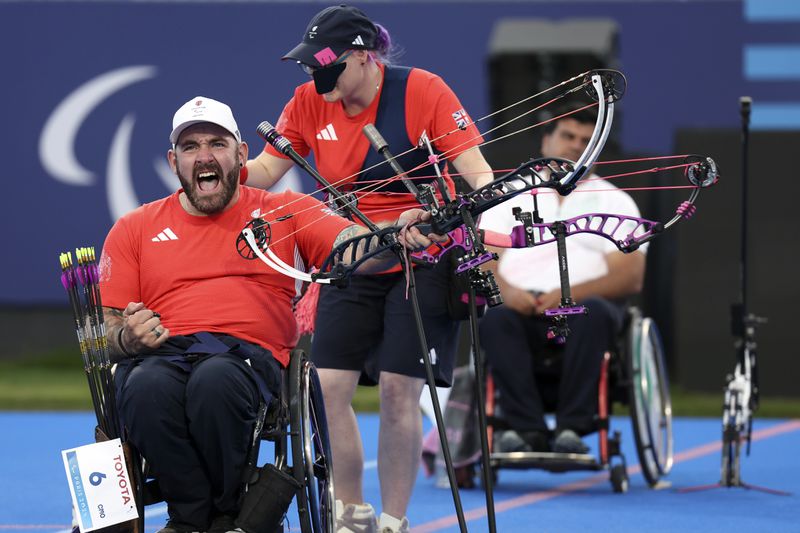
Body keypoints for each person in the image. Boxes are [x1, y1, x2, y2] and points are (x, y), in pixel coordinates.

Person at [98, 96, 437, 533]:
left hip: (246, 359)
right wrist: (127, 338)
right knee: (144, 387)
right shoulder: (134, 227)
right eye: (191, 146)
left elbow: (351, 243)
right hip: (163, 354)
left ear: (241, 155)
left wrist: (395, 233)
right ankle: (213, 518)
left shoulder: (284, 210)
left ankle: (196, 519)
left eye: (217, 144)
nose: (204, 156)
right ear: (173, 161)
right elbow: (105, 330)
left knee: (214, 382)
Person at [244, 5, 494, 532]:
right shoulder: (311, 99)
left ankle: (393, 520)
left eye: (326, 65)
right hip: (351, 255)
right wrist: (218, 170)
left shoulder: (422, 90)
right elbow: (265, 170)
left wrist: (439, 216)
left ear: (362, 56)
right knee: (328, 386)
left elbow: (478, 174)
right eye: (310, 66)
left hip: (422, 260)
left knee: (398, 390)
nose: (316, 76)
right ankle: (350, 512)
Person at [478, 106, 647, 455]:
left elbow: (630, 276)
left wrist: (567, 295)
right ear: (546, 140)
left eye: (586, 141)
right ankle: (526, 431)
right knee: (494, 317)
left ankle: (572, 428)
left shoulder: (616, 201)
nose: (575, 146)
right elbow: (484, 261)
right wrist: (508, 293)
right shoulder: (507, 196)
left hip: (584, 314)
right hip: (519, 308)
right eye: (568, 136)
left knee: (596, 311)